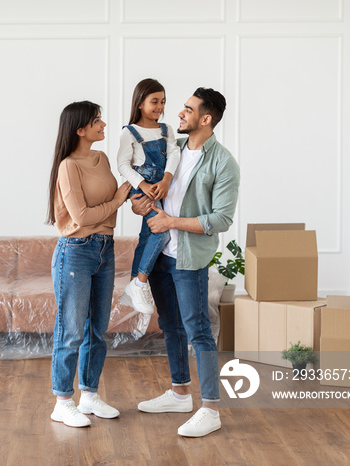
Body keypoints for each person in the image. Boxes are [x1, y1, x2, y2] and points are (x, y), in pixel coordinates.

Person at [132, 87, 240, 437]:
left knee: (199, 331)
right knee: (171, 325)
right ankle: (180, 392)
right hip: (161, 252)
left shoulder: (223, 163)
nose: (179, 114)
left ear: (205, 119)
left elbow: (221, 219)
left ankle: (211, 409)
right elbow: (159, 195)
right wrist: (142, 203)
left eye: (188, 110)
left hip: (189, 258)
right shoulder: (172, 151)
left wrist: (172, 223)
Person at [45, 101, 131, 428]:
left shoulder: (102, 158)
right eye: (97, 121)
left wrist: (117, 205)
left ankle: (89, 395)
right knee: (71, 330)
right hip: (75, 251)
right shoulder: (68, 166)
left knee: (97, 329)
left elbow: (101, 214)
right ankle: (62, 401)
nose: (104, 124)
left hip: (104, 248)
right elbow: (80, 218)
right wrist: (116, 202)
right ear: (80, 129)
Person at [117, 78, 181, 315]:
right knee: (161, 231)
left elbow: (174, 153)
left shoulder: (166, 130)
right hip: (142, 188)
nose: (160, 107)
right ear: (140, 102)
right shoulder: (129, 132)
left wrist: (166, 179)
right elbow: (123, 165)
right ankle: (140, 282)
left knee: (147, 235)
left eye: (163, 102)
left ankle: (133, 283)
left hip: (162, 186)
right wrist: (142, 185)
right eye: (154, 101)